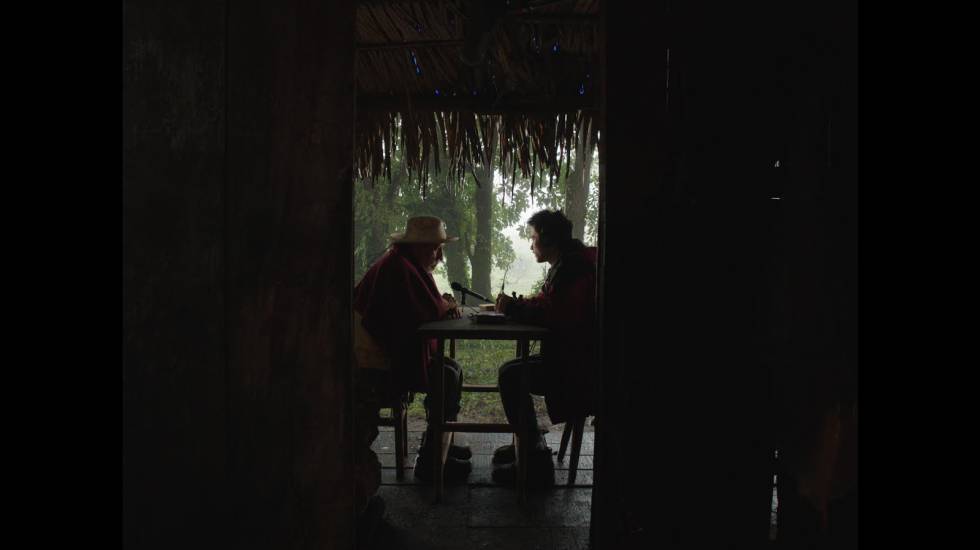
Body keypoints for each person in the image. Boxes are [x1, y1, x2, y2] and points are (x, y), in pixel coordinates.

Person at [352, 216, 473, 496]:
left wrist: (442, 305)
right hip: (373, 366)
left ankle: (438, 442)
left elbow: (424, 306)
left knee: (451, 369)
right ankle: (431, 461)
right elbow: (421, 313)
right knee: (446, 375)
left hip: (381, 356)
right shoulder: (398, 269)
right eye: (435, 249)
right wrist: (445, 306)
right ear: (418, 246)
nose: (440, 257)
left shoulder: (404, 265)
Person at [491, 209, 598, 487]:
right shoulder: (571, 264)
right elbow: (551, 303)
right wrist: (522, 305)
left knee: (510, 375)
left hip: (577, 368)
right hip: (578, 357)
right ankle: (530, 444)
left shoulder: (573, 270)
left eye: (535, 238)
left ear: (549, 240)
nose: (531, 244)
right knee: (513, 370)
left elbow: (558, 314)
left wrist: (515, 306)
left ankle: (535, 463)